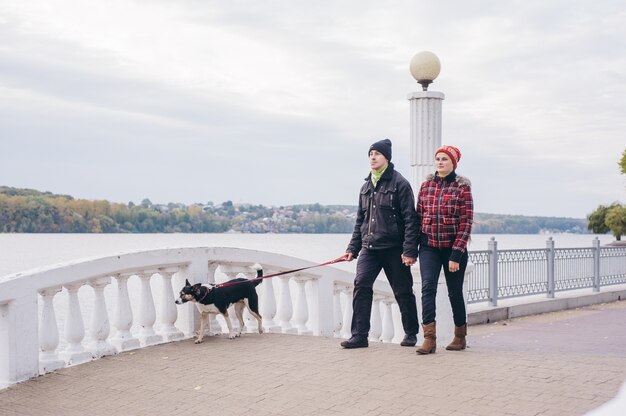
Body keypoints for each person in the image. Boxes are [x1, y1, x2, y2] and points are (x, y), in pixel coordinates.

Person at [340, 138, 420, 349]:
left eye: (377, 154)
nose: (372, 157)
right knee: (361, 286)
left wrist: (409, 250)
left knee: (403, 291)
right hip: (369, 248)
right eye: (370, 154)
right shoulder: (366, 187)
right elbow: (361, 221)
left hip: (394, 248)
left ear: (387, 158)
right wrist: (352, 248)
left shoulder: (400, 184)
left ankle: (411, 333)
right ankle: (359, 336)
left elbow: (411, 219)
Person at [415, 145, 473, 354]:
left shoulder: (462, 187)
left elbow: (466, 222)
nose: (440, 162)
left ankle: (460, 336)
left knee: (454, 293)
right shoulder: (426, 186)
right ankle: (429, 339)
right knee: (427, 288)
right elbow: (418, 219)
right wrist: (412, 249)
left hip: (452, 249)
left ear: (453, 163)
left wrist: (456, 254)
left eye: (444, 159)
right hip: (429, 246)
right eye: (438, 159)